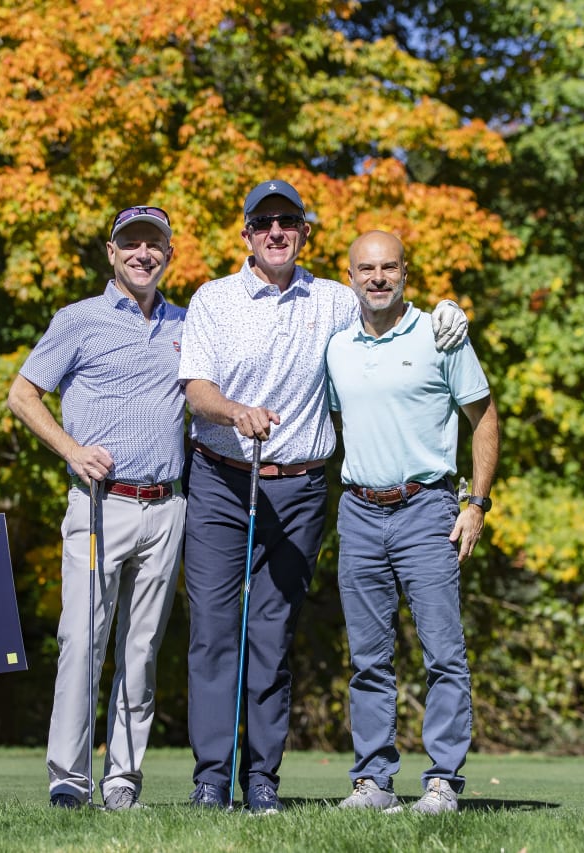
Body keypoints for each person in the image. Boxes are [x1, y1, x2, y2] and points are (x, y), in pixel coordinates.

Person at [178, 182, 470, 814]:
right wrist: (233, 412)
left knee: (272, 635)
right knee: (213, 633)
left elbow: (390, 310)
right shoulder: (213, 298)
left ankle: (262, 782)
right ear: (246, 234)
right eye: (264, 223)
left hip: (302, 489)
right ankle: (210, 779)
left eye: (289, 221)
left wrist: (448, 308)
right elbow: (195, 389)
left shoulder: (335, 299)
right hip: (221, 482)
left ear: (305, 234)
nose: (276, 232)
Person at [7, 205, 187, 811]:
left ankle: (123, 779)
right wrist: (71, 449)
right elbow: (22, 392)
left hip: (166, 508)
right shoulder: (78, 319)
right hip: (98, 504)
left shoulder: (186, 323)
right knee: (83, 640)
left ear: (168, 254)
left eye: (153, 244)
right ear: (111, 253)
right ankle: (69, 777)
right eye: (130, 244)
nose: (143, 254)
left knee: (141, 650)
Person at [326, 230, 499, 815]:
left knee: (443, 653)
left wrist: (476, 503)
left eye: (389, 267)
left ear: (406, 273)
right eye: (367, 268)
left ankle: (443, 782)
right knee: (368, 658)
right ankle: (373, 783)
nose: (378, 277)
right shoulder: (337, 345)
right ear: (350, 276)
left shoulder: (440, 334)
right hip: (358, 511)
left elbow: (484, 417)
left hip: (427, 510)